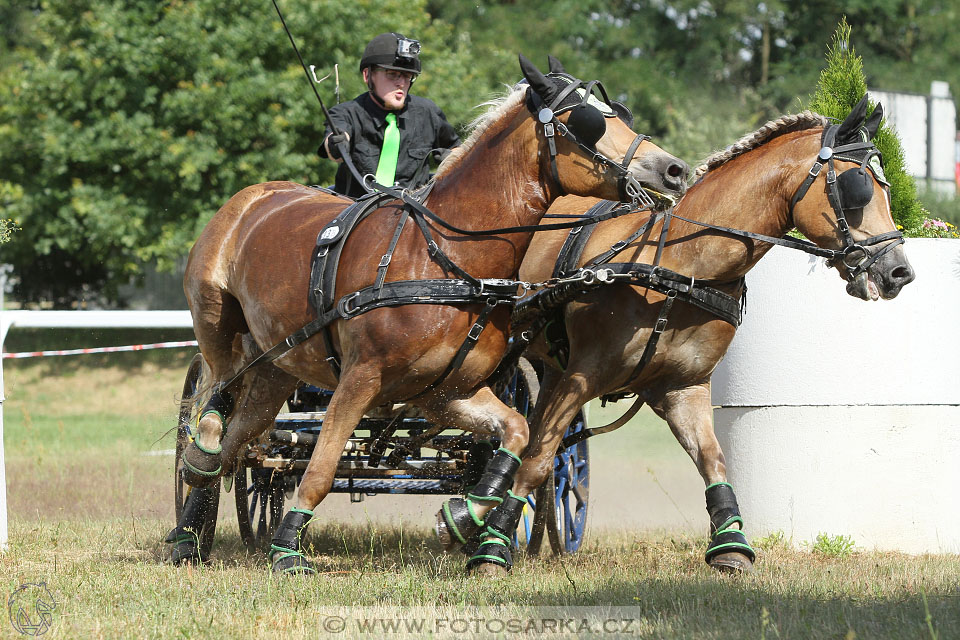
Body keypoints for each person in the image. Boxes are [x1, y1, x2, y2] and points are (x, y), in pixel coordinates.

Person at [319, 32, 460, 198]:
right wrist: (338, 142)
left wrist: (453, 159)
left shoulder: (428, 112)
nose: (401, 83)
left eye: (408, 76)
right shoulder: (346, 112)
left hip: (412, 214)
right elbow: (332, 147)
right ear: (367, 75)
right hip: (357, 211)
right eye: (392, 74)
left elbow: (457, 149)